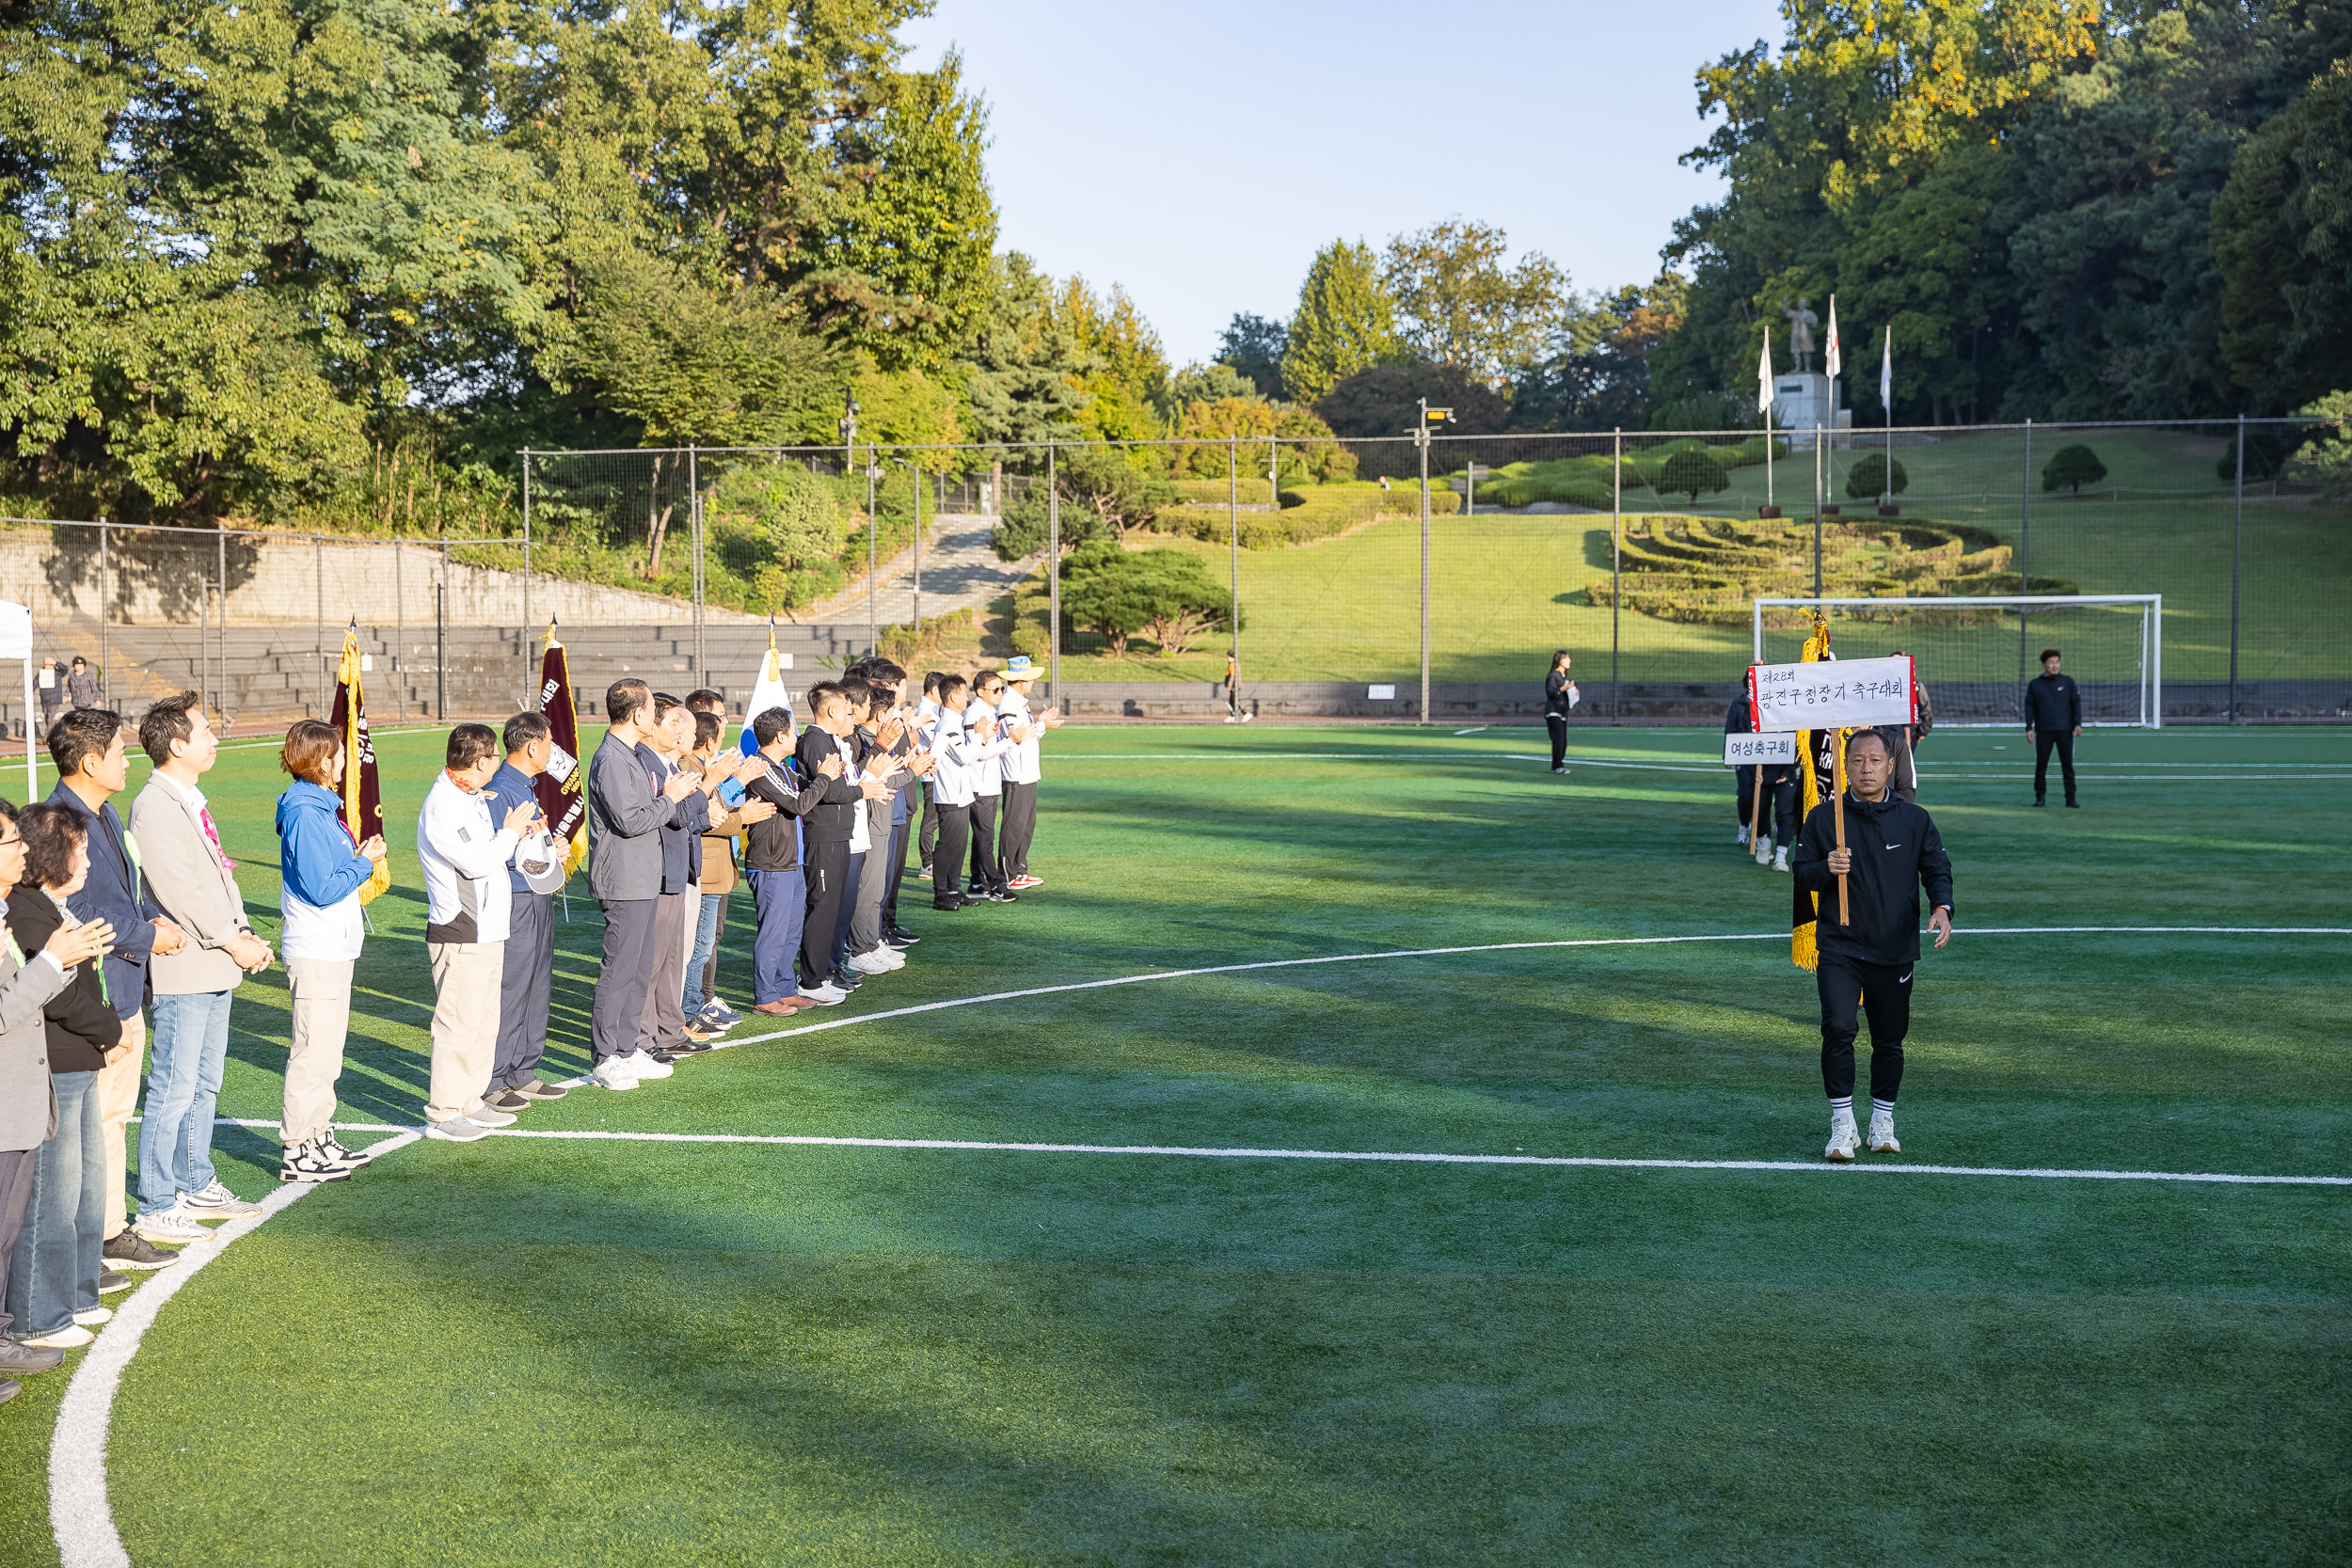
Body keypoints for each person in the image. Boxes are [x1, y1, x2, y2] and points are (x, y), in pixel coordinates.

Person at [127, 692, 275, 1238]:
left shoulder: (188, 799)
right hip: (187, 966)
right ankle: (157, 1201)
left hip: (213, 961)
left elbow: (219, 876)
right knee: (174, 1084)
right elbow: (180, 890)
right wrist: (231, 940)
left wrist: (240, 931)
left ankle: (194, 1179)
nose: (214, 738)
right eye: (204, 731)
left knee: (204, 1083)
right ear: (175, 744)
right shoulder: (155, 805)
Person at [45, 710, 191, 1255]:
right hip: (95, 997)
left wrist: (151, 919)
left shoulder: (101, 814)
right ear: (90, 761)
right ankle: (92, 1238)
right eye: (119, 752)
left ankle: (105, 1229)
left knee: (110, 1119)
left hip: (123, 989)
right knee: (91, 1126)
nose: (128, 761)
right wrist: (147, 936)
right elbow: (76, 908)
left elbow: (126, 890)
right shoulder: (61, 822)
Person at [1789, 727, 1955, 1162]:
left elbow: (1937, 868)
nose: (1866, 769)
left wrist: (1942, 908)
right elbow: (1801, 872)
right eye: (1857, 761)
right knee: (1839, 1028)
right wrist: (1826, 867)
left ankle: (1883, 1119)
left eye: (1875, 761)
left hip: (1894, 948)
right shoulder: (1825, 819)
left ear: (1891, 765)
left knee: (1890, 1039)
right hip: (1840, 948)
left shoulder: (1914, 819)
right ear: (1845, 766)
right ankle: (1842, 1123)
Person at [0, 800, 114, 1394]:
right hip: (35, 1073)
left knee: (59, 1196)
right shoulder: (26, 914)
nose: (20, 850)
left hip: (48, 1069)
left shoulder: (25, 910)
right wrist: (57, 963)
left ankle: (56, 1303)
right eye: (10, 842)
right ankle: (40, 1315)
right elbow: (25, 1001)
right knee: (42, 1201)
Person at [273, 721, 389, 1181]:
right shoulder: (305, 812)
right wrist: (364, 863)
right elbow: (322, 887)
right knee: (312, 1050)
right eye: (339, 754)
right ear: (321, 760)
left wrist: (359, 856)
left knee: (328, 1051)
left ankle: (318, 1135)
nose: (345, 761)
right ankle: (298, 1148)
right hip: (316, 947)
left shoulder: (320, 809)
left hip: (333, 948)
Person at [415, 722, 537, 1140]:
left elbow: (494, 855)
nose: (498, 764)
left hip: (487, 928)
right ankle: (444, 1112)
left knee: (485, 1022)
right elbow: (477, 862)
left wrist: (528, 842)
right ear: (481, 762)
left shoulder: (468, 796)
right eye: (494, 758)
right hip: (461, 929)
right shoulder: (443, 805)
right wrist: (511, 832)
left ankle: (470, 1100)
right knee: (457, 1025)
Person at [586, 679, 701, 1091]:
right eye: (653, 711)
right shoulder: (612, 759)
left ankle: (627, 1046)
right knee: (619, 970)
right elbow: (631, 821)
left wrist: (668, 797)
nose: (655, 718)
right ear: (637, 715)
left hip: (643, 878)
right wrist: (670, 798)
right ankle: (605, 1057)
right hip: (623, 880)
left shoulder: (629, 754)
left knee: (638, 970)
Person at [480, 713, 571, 1113]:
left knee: (537, 982)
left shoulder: (525, 787)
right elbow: (497, 853)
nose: (552, 751)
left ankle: (523, 1070)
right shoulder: (501, 790)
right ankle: (495, 1078)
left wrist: (552, 852)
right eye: (549, 743)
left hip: (536, 893)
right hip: (517, 899)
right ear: (532, 746)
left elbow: (528, 847)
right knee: (513, 986)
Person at [739, 707, 840, 1014]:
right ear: (781, 735)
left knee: (791, 930)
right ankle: (765, 995)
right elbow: (799, 804)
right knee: (773, 932)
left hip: (791, 862)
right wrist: (824, 777)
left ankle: (784, 987)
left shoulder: (782, 767)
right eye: (793, 731)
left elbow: (807, 790)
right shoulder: (761, 769)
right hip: (771, 864)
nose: (797, 736)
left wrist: (824, 778)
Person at [795, 682, 891, 1000]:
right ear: (832, 709)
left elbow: (843, 782)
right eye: (846, 709)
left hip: (838, 834)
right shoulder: (815, 742)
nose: (851, 714)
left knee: (832, 910)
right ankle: (810, 980)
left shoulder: (829, 742)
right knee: (821, 909)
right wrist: (865, 790)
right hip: (822, 836)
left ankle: (823, 973)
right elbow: (832, 791)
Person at [683, 708, 773, 1035]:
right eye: (721, 736)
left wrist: (735, 810)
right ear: (708, 742)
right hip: (706, 871)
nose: (724, 745)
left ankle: (699, 1003)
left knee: (707, 943)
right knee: (699, 947)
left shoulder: (703, 770)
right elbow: (701, 818)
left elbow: (714, 812)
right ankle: (692, 1009)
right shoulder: (692, 770)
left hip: (717, 870)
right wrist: (742, 817)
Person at [995, 655, 1059, 890]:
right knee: (1014, 823)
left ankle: (1020, 868)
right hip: (1016, 771)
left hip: (1028, 770)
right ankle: (1007, 872)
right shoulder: (1008, 704)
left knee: (1026, 823)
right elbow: (1017, 735)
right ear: (1021, 680)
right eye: (1030, 678)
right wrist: (1042, 725)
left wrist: (1041, 722)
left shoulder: (1018, 702)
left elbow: (1029, 732)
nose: (1033, 682)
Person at [922, 674, 980, 913]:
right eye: (964, 693)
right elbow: (965, 757)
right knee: (948, 845)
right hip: (950, 794)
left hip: (960, 793)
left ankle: (954, 889)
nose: (967, 698)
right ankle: (941, 894)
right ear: (954, 696)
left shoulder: (953, 722)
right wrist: (980, 735)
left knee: (959, 845)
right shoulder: (947, 725)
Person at [963, 673, 1015, 903]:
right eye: (995, 689)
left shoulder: (987, 712)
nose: (1000, 693)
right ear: (980, 691)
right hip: (979, 784)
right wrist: (1011, 741)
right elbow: (979, 753)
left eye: (1001, 688)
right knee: (985, 837)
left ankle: (976, 881)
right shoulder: (976, 715)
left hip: (988, 783)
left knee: (982, 836)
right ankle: (995, 884)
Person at [2025, 648, 2082, 807]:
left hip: (2065, 731)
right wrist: (2029, 727)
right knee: (2041, 766)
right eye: (2051, 662)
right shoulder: (2035, 684)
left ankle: (2070, 798)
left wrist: (2078, 723)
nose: (2055, 665)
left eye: (2057, 662)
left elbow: (2076, 704)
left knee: (2068, 766)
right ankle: (2040, 797)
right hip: (2044, 731)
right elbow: (2029, 707)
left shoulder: (2067, 682)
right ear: (2044, 664)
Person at [1886, 651, 1934, 804]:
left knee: (1903, 770)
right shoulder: (1883, 684)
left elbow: (1925, 709)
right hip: (1885, 735)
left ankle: (1901, 804)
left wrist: (1922, 732)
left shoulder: (1916, 686)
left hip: (1908, 736)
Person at [914, 671, 946, 882]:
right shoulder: (926, 712)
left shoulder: (933, 709)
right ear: (935, 690)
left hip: (938, 772)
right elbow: (936, 739)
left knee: (938, 818)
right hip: (931, 774)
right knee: (932, 819)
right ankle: (927, 863)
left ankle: (934, 860)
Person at [1542, 651, 1578, 774]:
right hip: (1553, 712)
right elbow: (1552, 693)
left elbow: (1564, 693)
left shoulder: (1563, 677)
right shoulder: (1553, 676)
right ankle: (1557, 766)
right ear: (1559, 660)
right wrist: (1565, 688)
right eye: (1566, 658)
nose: (1569, 661)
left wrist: (1573, 692)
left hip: (1562, 712)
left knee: (1563, 741)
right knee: (1559, 739)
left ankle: (1558, 764)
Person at [35, 659, 61, 735]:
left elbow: (65, 669)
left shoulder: (57, 673)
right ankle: (51, 733)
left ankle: (47, 736)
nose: (49, 666)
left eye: (50, 664)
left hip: (54, 699)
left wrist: (56, 663)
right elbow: (35, 683)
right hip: (44, 699)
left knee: (50, 717)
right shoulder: (41, 673)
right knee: (47, 717)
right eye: (47, 664)